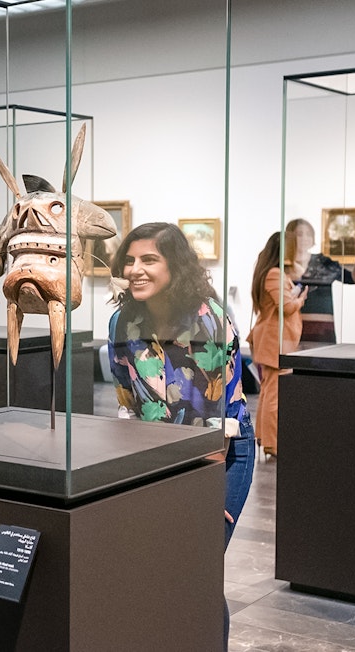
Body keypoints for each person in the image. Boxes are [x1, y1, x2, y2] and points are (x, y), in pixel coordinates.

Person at [107, 222, 254, 648]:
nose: (136, 269)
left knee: (197, 570)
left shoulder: (206, 320)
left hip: (220, 455)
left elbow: (206, 418)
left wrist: (203, 499)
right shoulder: (122, 322)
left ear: (175, 266)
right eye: (130, 260)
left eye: (149, 259)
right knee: (158, 570)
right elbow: (127, 405)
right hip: (158, 456)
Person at [247, 232, 307, 457]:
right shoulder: (274, 274)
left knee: (269, 391)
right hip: (275, 341)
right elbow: (286, 307)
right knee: (274, 393)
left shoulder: (271, 272)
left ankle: (265, 438)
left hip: (274, 340)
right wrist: (300, 298)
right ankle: (272, 443)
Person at [285, 218, 355, 344]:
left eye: (308, 234)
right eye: (299, 234)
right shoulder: (283, 265)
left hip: (323, 328)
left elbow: (353, 279)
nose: (305, 238)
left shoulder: (323, 262)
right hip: (292, 327)